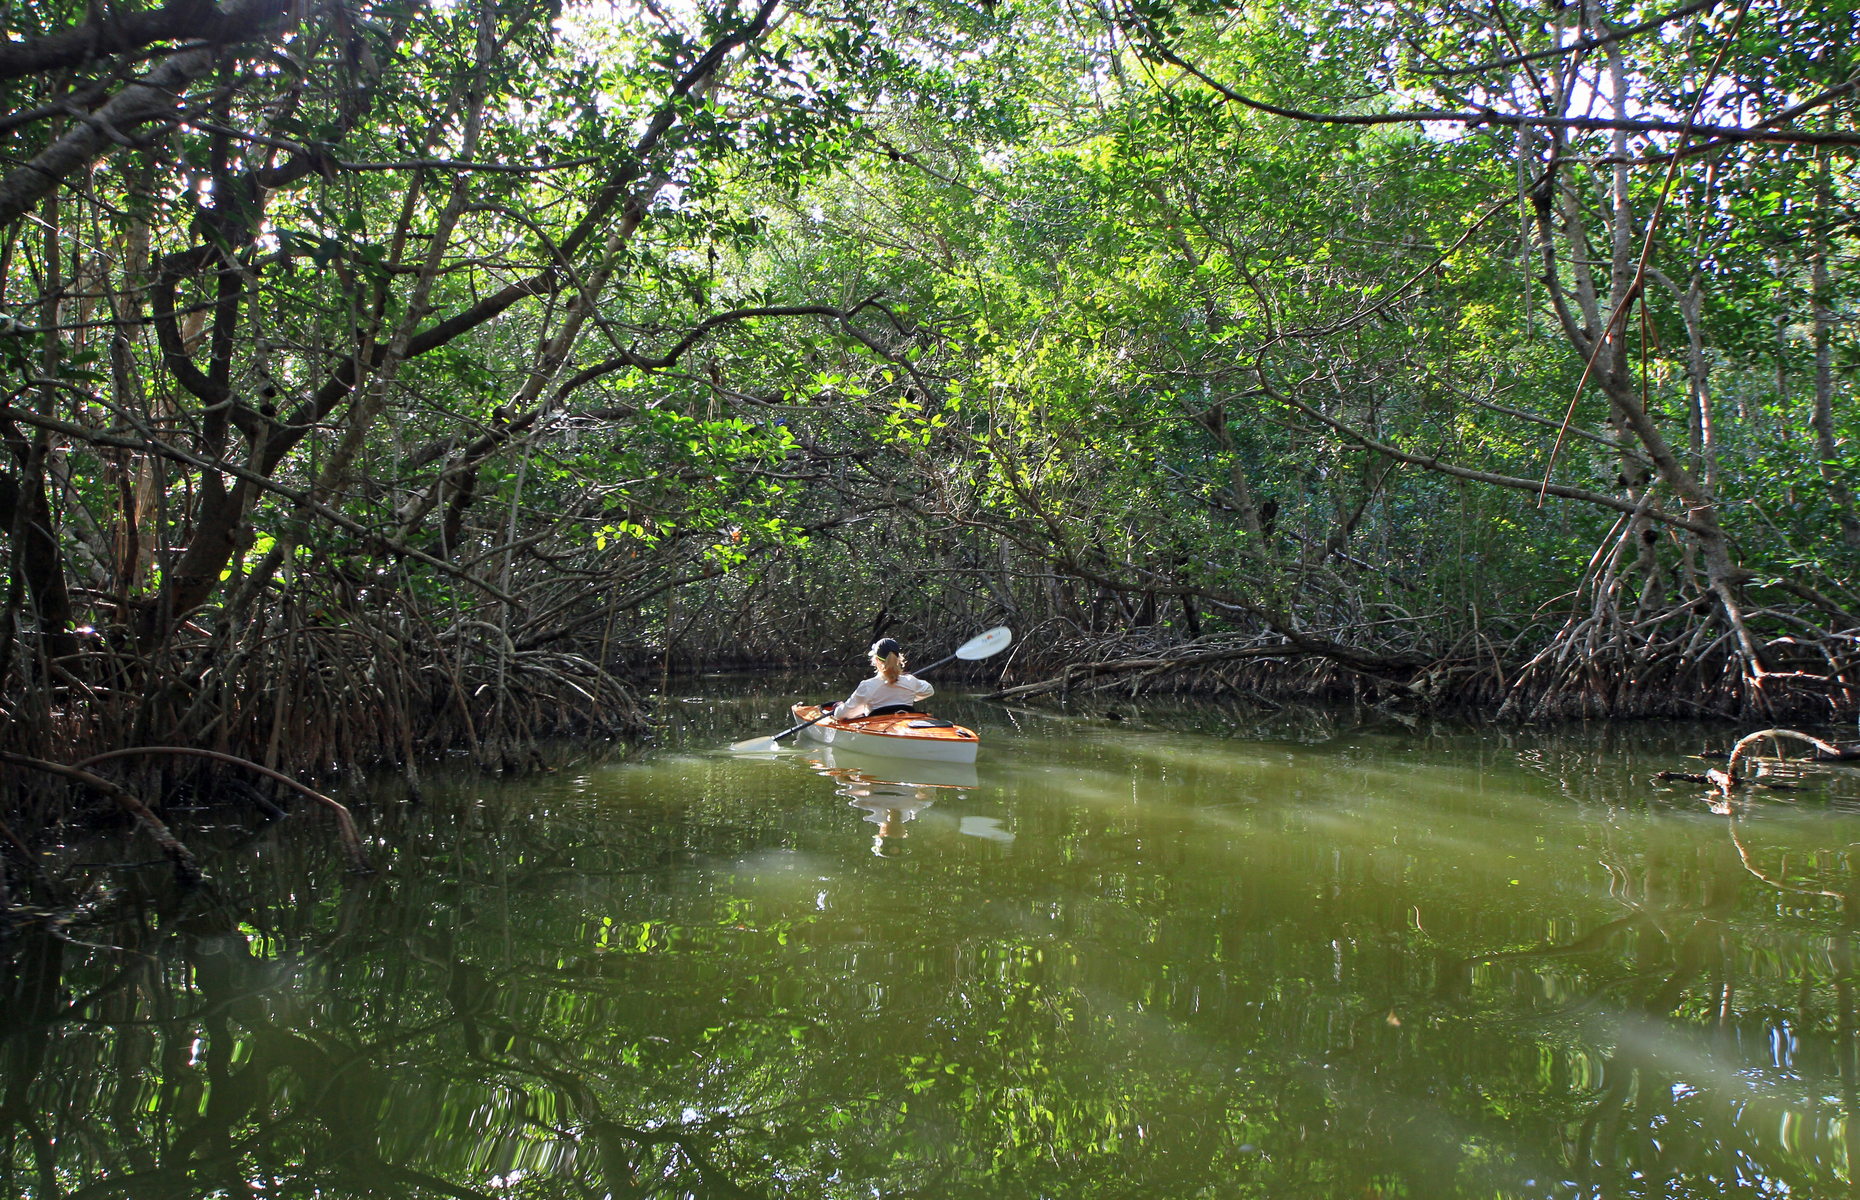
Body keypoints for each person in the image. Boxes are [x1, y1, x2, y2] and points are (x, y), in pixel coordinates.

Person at [826, 637, 933, 720]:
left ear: (876, 660)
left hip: (879, 728)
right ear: (898, 659)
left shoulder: (867, 686)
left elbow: (842, 715)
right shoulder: (911, 682)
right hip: (904, 725)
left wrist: (839, 707)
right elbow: (929, 690)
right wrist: (908, 682)